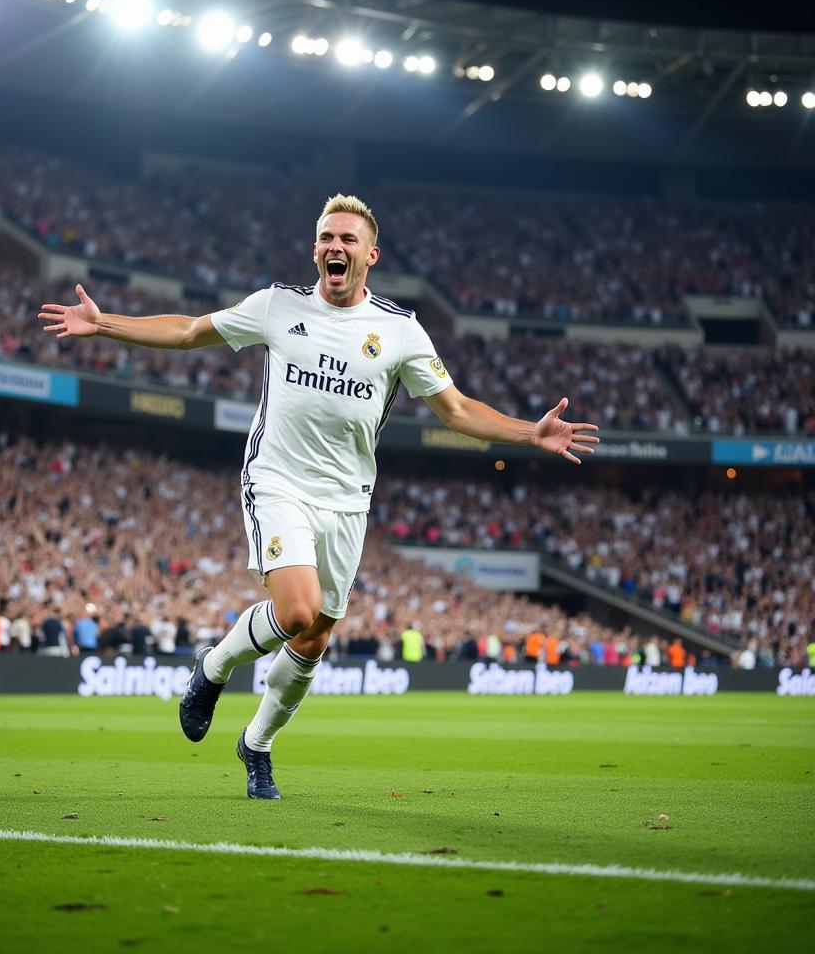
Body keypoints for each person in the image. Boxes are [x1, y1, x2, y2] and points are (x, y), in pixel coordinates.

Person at [40, 194, 600, 799]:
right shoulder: (276, 307)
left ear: (370, 255)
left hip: (349, 502)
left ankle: (256, 745)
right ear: (316, 249)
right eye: (327, 238)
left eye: (348, 240)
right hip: (278, 480)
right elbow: (190, 331)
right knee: (297, 611)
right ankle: (213, 667)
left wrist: (529, 432)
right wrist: (105, 324)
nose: (336, 247)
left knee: (314, 639)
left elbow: (457, 410)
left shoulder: (400, 332)